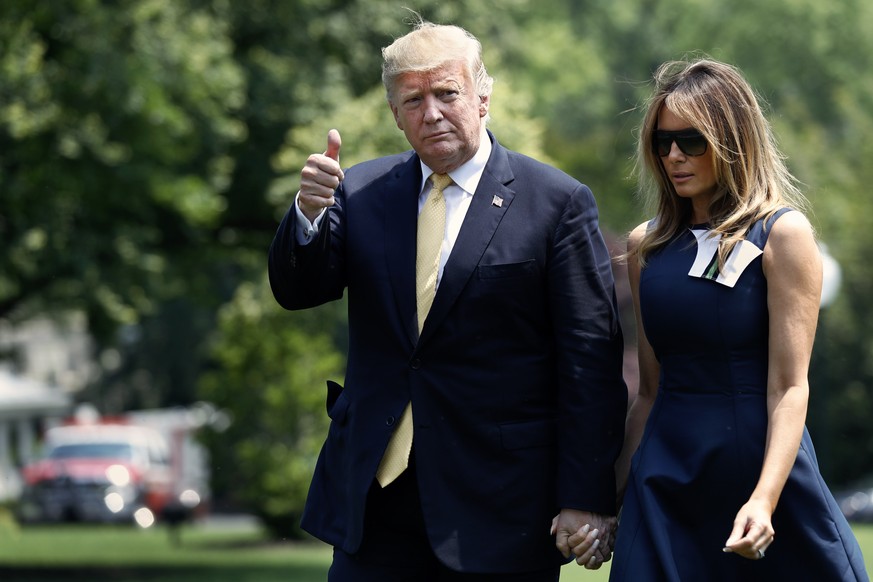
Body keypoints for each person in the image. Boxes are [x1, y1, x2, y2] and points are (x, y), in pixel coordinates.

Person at [268, 18, 627, 581]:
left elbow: (590, 363)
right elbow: (298, 290)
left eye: (446, 93)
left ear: (483, 97)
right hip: (376, 502)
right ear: (395, 115)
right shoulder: (359, 193)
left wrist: (586, 495)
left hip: (501, 507)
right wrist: (309, 214)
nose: (431, 111)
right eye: (413, 99)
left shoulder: (556, 203)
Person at [603, 58, 869, 580]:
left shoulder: (783, 234)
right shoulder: (646, 246)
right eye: (662, 142)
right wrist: (610, 498)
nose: (674, 155)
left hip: (758, 471)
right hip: (666, 476)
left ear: (732, 140)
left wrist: (764, 499)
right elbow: (650, 392)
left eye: (691, 141)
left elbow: (790, 389)